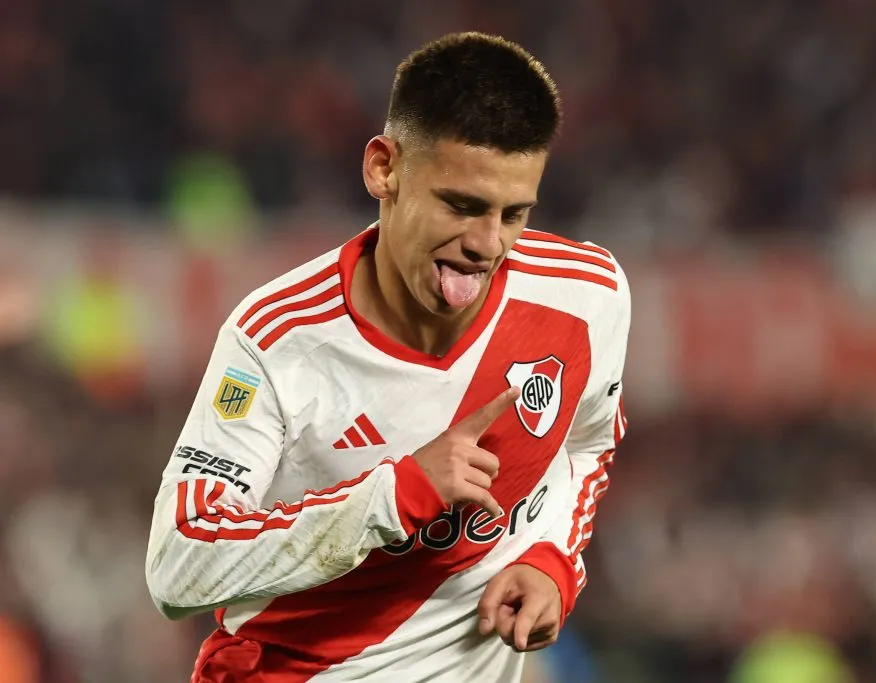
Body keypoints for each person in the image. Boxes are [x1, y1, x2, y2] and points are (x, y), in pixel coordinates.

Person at [145, 31, 630, 683]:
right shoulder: (277, 341)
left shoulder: (586, 298)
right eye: (461, 206)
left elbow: (587, 445)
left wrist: (552, 558)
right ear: (384, 168)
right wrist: (399, 493)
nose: (487, 244)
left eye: (513, 213)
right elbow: (179, 564)